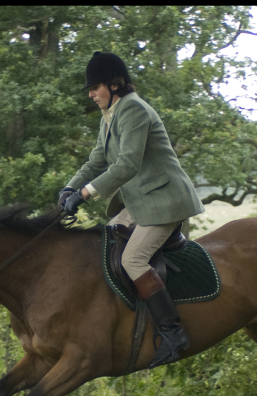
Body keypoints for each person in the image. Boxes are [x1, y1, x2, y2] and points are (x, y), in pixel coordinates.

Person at [58, 51, 205, 368]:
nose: (90, 94)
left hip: (164, 201)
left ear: (114, 84)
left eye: (94, 87)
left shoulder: (134, 109)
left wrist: (85, 193)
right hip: (141, 201)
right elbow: (96, 161)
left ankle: (173, 333)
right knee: (106, 243)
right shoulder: (110, 115)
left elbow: (127, 164)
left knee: (132, 259)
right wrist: (69, 188)